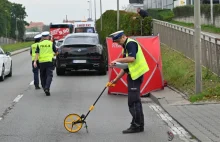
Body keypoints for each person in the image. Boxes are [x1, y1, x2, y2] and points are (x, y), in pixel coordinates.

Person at [109, 30, 150, 134]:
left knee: (133, 101)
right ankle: (138, 124)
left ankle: (137, 126)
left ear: (123, 37)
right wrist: (115, 80)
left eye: (118, 41)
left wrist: (117, 60)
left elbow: (131, 59)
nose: (118, 43)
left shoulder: (131, 44)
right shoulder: (126, 46)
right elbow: (126, 67)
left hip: (136, 76)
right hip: (133, 75)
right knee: (135, 101)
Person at [33, 31, 58, 96]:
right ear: (47, 37)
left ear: (42, 37)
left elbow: (37, 54)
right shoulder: (51, 43)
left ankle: (44, 87)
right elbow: (56, 52)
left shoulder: (39, 44)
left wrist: (35, 61)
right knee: (49, 75)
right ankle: (47, 87)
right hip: (49, 61)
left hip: (41, 62)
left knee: (42, 75)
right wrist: (54, 55)